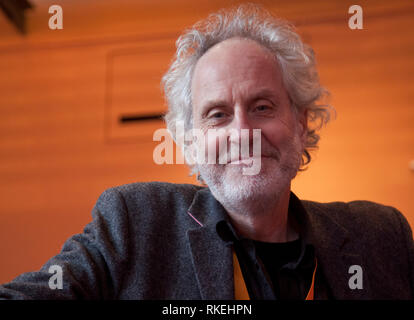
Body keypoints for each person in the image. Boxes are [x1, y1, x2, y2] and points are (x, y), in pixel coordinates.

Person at [0, 4, 413, 300]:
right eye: (217, 114)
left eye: (263, 107)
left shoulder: (380, 237)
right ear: (192, 143)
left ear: (301, 124)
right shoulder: (136, 225)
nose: (243, 132)